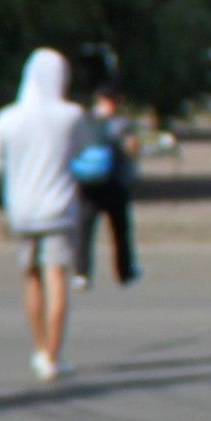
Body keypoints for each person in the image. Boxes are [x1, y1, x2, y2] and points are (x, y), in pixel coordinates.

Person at [0, 49, 89, 381]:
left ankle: (39, 348)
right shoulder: (71, 115)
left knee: (30, 277)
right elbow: (85, 155)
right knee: (57, 277)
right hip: (60, 210)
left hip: (21, 212)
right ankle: (54, 354)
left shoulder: (6, 119)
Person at [71, 88, 140, 288]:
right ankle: (124, 271)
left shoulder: (83, 121)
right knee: (120, 231)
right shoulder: (121, 124)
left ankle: (82, 272)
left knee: (85, 230)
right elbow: (132, 149)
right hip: (115, 184)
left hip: (87, 184)